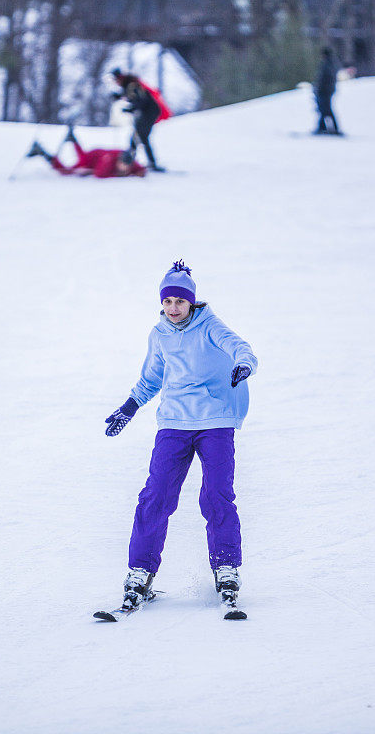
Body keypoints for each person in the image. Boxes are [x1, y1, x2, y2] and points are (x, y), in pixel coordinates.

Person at [103, 260, 258, 620]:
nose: (173, 308)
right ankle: (139, 575)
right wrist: (129, 408)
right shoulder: (159, 335)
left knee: (217, 495)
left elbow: (240, 347)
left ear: (192, 302)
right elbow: (150, 379)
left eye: (180, 302)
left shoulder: (210, 327)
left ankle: (226, 572)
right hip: (173, 422)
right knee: (155, 496)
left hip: (216, 420)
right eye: (168, 301)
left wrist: (244, 365)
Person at [111, 68, 171, 171]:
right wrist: (119, 97)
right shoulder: (128, 85)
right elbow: (132, 97)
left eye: (115, 80)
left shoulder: (131, 85)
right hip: (147, 112)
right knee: (140, 137)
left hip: (150, 112)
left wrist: (131, 109)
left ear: (119, 78)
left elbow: (142, 100)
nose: (115, 83)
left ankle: (130, 162)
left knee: (139, 136)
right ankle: (136, 162)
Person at [26, 127, 146, 178]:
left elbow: (141, 169)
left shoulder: (129, 160)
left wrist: (137, 173)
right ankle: (42, 152)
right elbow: (99, 174)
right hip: (93, 158)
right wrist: (117, 175)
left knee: (80, 156)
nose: (124, 168)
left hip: (98, 154)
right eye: (122, 164)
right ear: (119, 160)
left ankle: (73, 139)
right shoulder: (109, 161)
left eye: (126, 166)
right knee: (67, 171)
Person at [313, 47, 342, 135]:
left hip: (324, 91)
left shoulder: (327, 65)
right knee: (325, 109)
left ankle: (328, 128)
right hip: (328, 90)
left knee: (325, 109)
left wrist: (318, 89)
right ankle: (323, 127)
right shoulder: (333, 64)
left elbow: (323, 79)